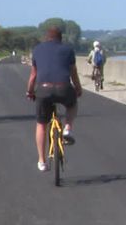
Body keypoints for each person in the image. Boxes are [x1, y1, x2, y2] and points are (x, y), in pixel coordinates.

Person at [27, 26, 84, 171]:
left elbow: (33, 76)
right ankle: (68, 129)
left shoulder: (38, 50)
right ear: (61, 38)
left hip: (43, 90)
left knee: (41, 124)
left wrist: (29, 92)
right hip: (63, 87)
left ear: (47, 37)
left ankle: (41, 161)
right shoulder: (68, 50)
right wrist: (78, 88)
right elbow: (73, 73)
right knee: (72, 104)